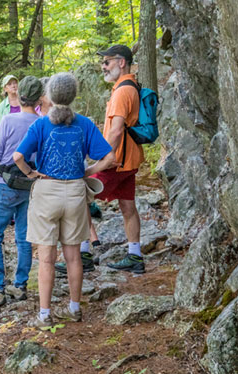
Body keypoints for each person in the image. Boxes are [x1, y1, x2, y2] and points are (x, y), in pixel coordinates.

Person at [13, 72, 117, 329]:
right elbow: (109, 157)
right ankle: (74, 307)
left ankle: (45, 314)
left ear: (48, 95)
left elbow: (17, 156)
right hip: (74, 192)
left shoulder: (39, 125)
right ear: (73, 95)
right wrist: (88, 172)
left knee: (47, 258)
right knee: (73, 256)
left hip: (47, 191)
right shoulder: (84, 124)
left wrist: (30, 173)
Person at [0, 76, 42, 306]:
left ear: (20, 94)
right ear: (39, 98)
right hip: (29, 183)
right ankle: (20, 285)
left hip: (5, 183)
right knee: (24, 235)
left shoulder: (8, 120)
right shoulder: (41, 122)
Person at [93, 44, 145, 274]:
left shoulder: (123, 91)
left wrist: (103, 160)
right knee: (127, 206)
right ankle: (135, 255)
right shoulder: (130, 86)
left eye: (107, 62)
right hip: (128, 161)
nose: (103, 67)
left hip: (115, 161)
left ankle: (83, 254)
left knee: (77, 196)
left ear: (121, 62)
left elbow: (115, 131)